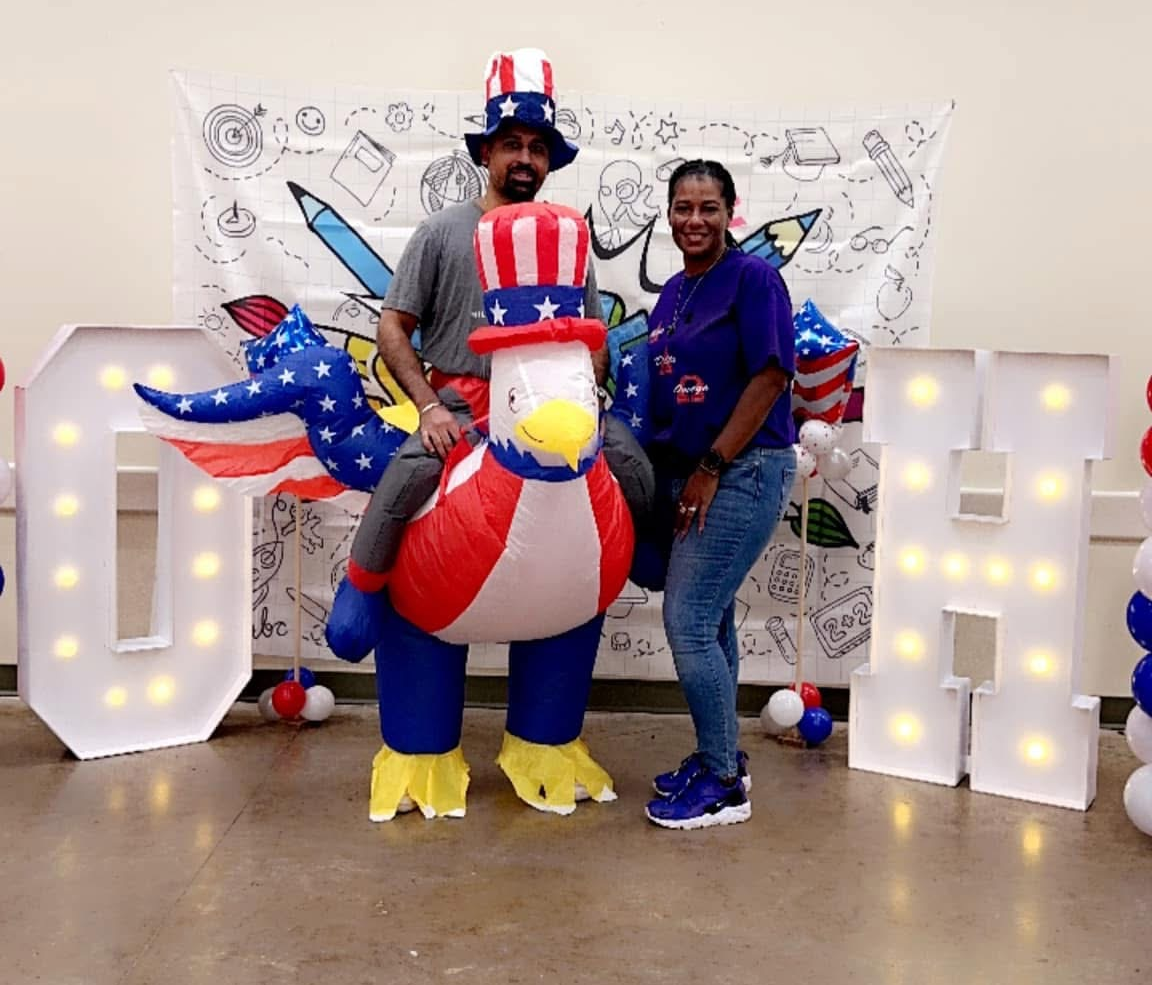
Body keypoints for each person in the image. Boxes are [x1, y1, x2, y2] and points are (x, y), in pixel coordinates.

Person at [344, 48, 650, 597]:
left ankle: (648, 564)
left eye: (537, 148)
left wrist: (584, 399)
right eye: (512, 145)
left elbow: (594, 335)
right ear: (486, 152)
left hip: (553, 404)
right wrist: (429, 408)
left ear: (549, 162)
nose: (525, 159)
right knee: (407, 477)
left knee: (631, 465)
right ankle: (362, 590)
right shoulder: (441, 232)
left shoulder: (567, 238)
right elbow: (392, 326)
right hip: (464, 403)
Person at [638, 160, 797, 830]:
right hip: (692, 473)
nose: (694, 220)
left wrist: (709, 465)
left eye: (708, 207)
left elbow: (771, 377)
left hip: (743, 469)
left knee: (689, 620)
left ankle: (724, 783)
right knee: (716, 619)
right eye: (683, 207)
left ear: (731, 212)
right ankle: (721, 754)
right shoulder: (674, 292)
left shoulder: (754, 278)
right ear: (669, 215)